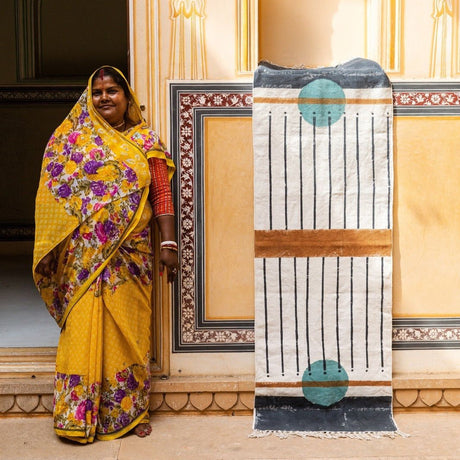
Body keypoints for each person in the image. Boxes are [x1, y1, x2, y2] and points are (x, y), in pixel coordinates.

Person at [33, 66, 178, 443]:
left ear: (127, 98)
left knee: (128, 335)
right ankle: (75, 415)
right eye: (97, 92)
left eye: (113, 90)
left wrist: (168, 243)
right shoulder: (75, 143)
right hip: (81, 259)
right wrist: (50, 246)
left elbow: (161, 194)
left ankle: (130, 413)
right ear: (89, 97)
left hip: (131, 256)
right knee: (80, 330)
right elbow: (58, 195)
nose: (105, 98)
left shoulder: (145, 141)